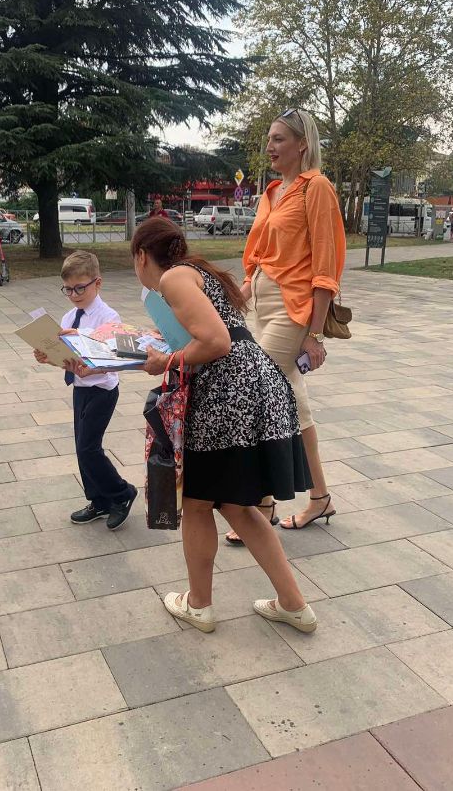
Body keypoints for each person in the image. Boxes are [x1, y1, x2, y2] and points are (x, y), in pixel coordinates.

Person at [132, 218, 317, 634]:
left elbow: (216, 342)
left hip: (224, 403)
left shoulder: (173, 279)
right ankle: (293, 605)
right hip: (252, 395)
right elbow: (207, 333)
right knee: (237, 506)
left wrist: (167, 362)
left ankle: (199, 605)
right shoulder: (196, 271)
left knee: (198, 503)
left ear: (142, 256)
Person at [226, 107, 345, 542]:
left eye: (278, 139)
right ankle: (320, 498)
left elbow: (327, 266)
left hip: (292, 309)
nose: (270, 147)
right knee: (293, 401)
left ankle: (263, 502)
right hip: (261, 303)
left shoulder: (317, 188)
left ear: (302, 144)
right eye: (269, 139)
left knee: (257, 392)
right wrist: (241, 292)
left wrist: (314, 333)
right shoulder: (273, 191)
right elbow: (258, 254)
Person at [33, 250, 137, 530]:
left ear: (97, 283)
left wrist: (82, 340)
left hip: (103, 390)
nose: (74, 295)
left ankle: (122, 493)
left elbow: (115, 356)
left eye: (80, 288)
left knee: (89, 448)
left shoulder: (108, 316)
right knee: (82, 448)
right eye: (68, 289)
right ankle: (99, 500)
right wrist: (48, 357)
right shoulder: (68, 317)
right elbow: (68, 359)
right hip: (80, 388)